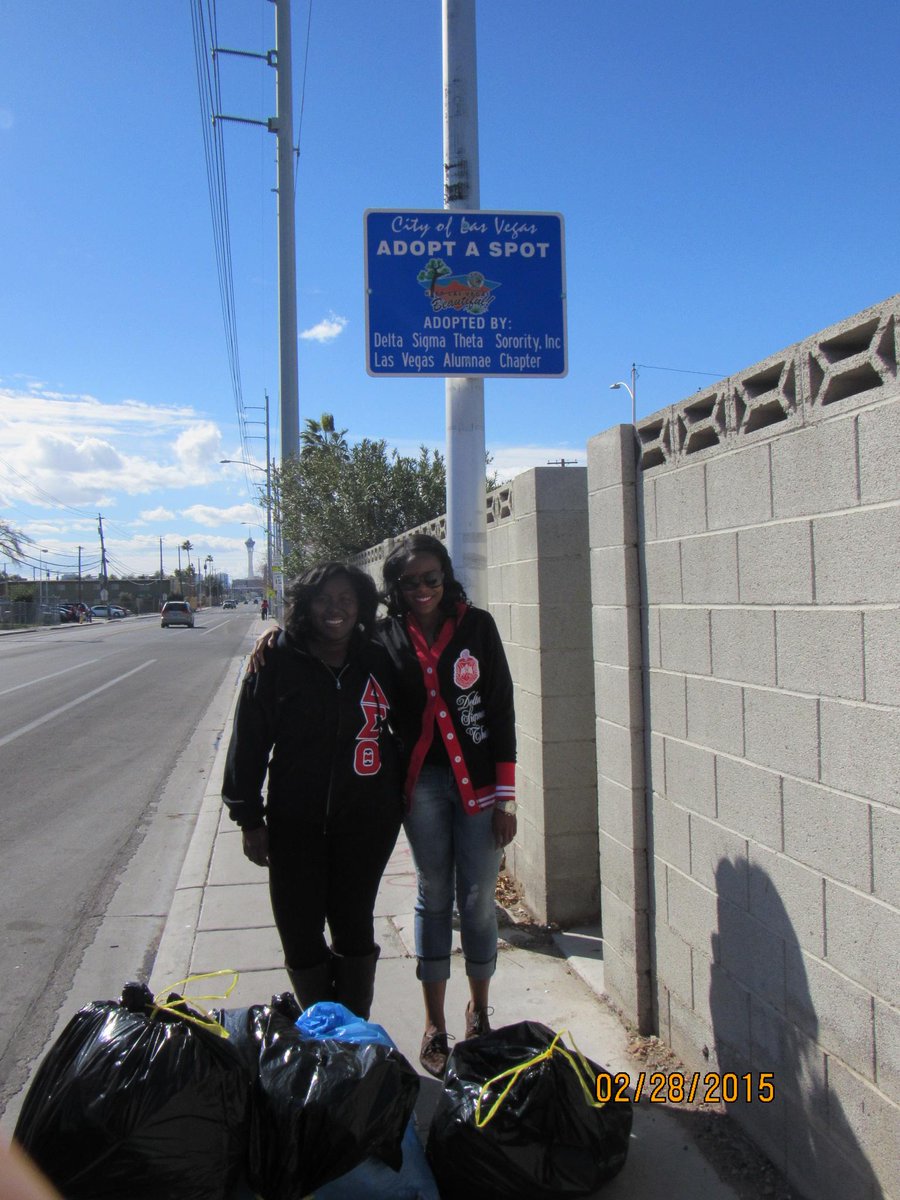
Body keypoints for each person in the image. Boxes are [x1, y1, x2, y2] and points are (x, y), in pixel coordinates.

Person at [221, 562, 403, 1020]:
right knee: (300, 935)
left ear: (362, 606)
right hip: (293, 825)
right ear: (305, 605)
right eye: (324, 599)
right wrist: (249, 818)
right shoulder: (277, 659)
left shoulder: (380, 657)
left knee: (354, 929)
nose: (335, 609)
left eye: (346, 600)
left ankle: (354, 1036)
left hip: (365, 824)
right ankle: (323, 1036)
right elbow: (249, 742)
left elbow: (413, 725)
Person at [378, 534, 516, 1077]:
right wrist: (273, 645)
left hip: (479, 787)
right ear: (397, 587)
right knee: (434, 895)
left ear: (446, 576)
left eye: (431, 578)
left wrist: (507, 798)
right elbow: (331, 648)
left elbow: (500, 707)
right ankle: (435, 1023)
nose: (421, 590)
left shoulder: (477, 626)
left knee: (479, 898)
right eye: (409, 582)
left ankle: (480, 1012)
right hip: (424, 788)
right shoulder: (384, 635)